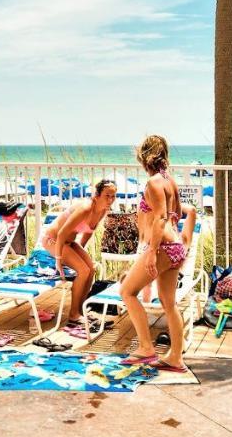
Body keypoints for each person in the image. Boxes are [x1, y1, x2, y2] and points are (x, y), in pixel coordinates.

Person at [119, 134, 188, 373]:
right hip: (176, 247)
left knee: (127, 291)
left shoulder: (153, 183)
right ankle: (175, 358)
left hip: (162, 248)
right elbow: (177, 213)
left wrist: (151, 251)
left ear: (145, 157)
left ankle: (146, 348)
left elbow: (159, 218)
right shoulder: (171, 181)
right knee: (169, 303)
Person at [40, 179, 116, 337]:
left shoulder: (102, 210)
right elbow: (61, 233)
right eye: (107, 195)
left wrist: (81, 253)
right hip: (54, 240)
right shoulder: (85, 208)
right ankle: (73, 314)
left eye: (113, 196)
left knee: (91, 268)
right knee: (82, 270)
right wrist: (59, 259)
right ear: (97, 195)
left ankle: (81, 310)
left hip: (70, 242)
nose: (110, 199)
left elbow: (88, 231)